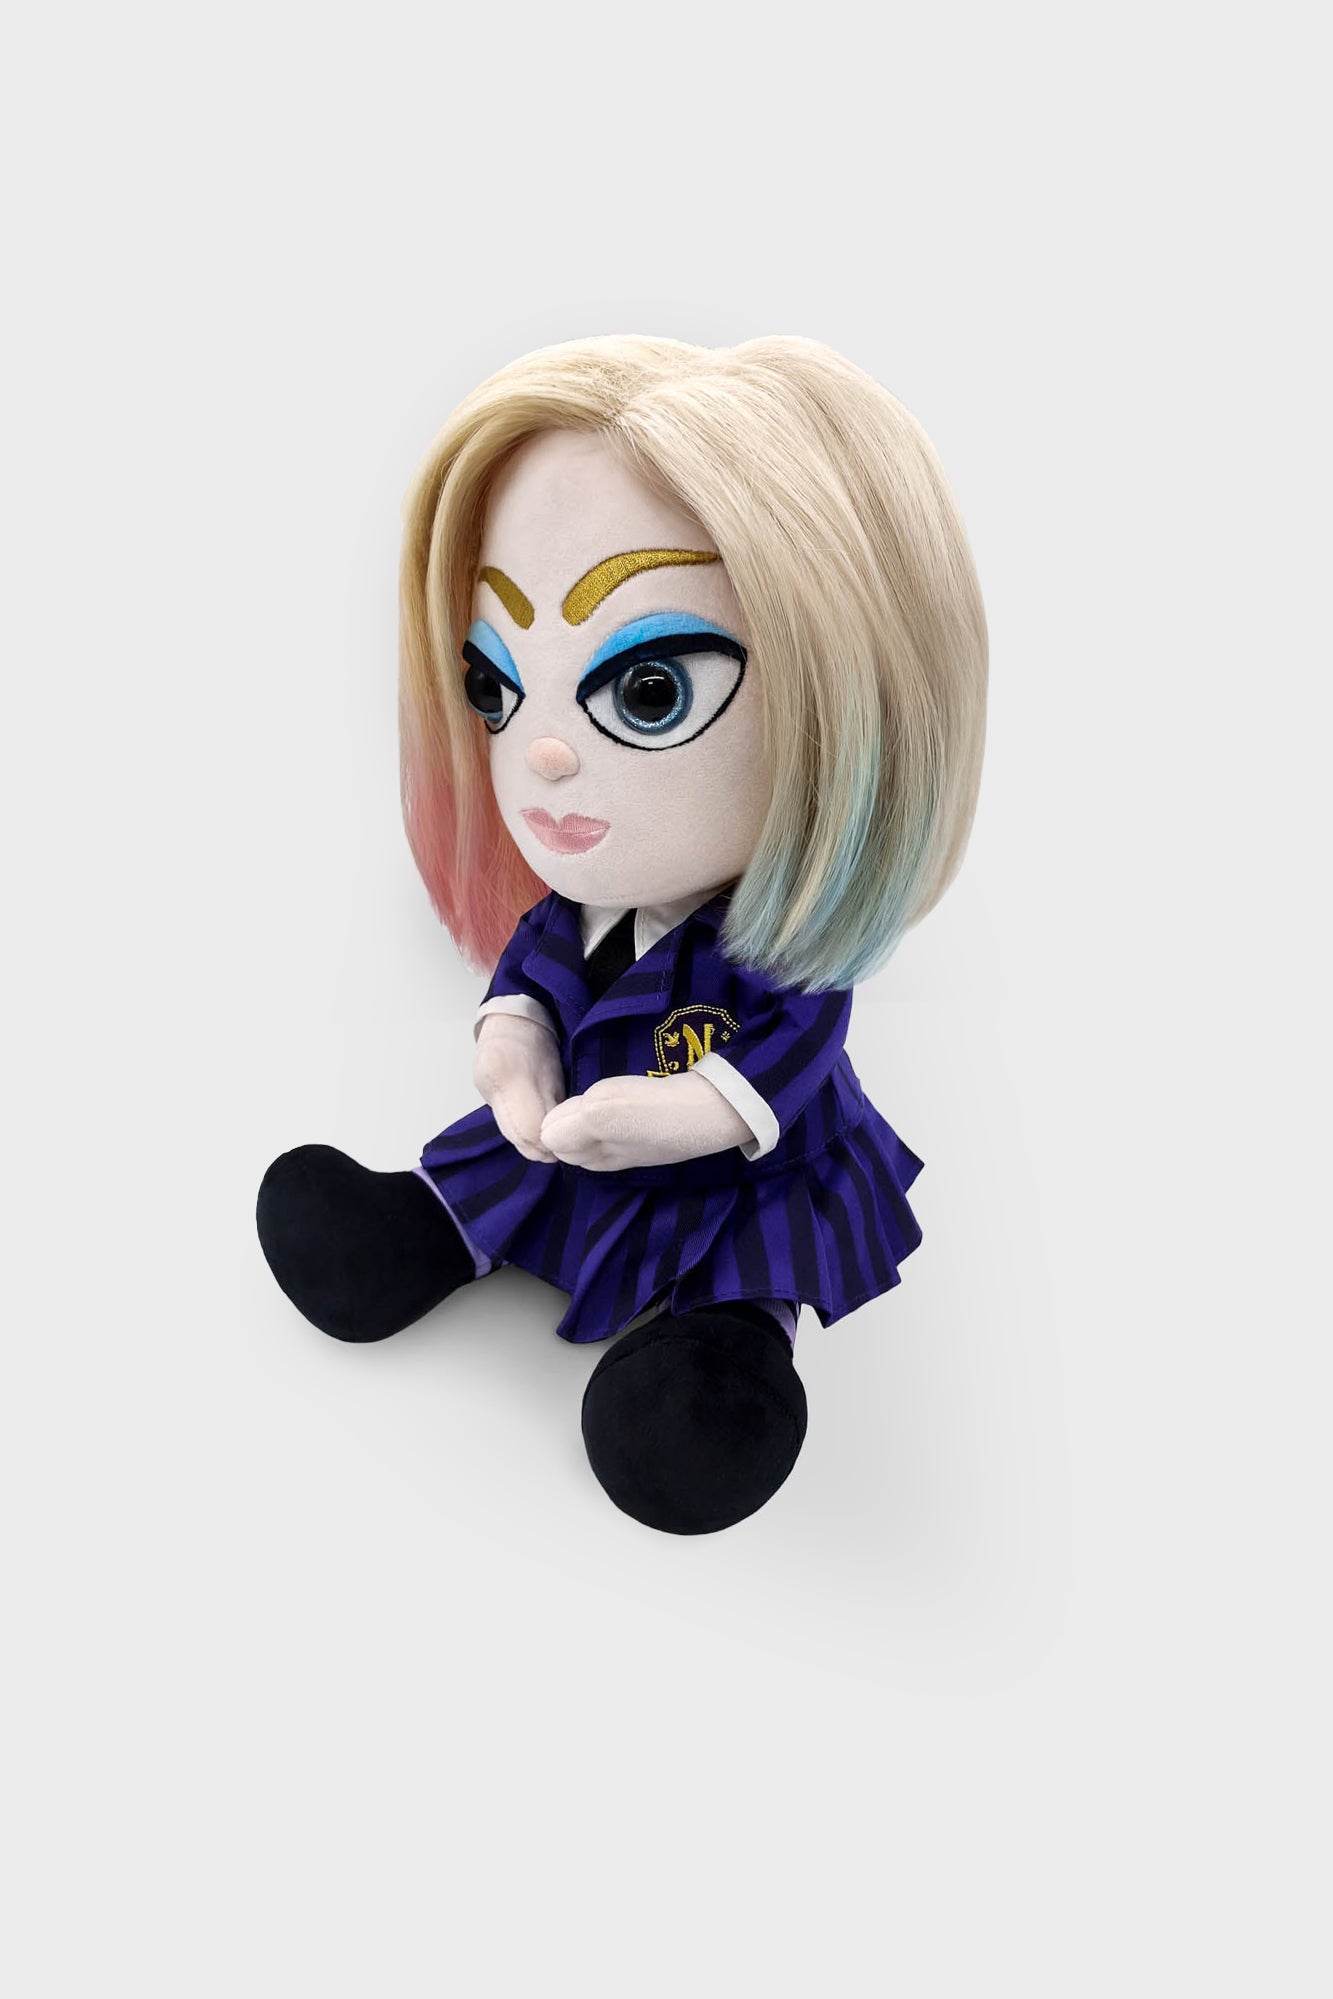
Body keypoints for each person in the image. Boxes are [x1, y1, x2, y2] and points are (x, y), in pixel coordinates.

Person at [257, 335, 988, 1535]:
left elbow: (779, 1069)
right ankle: (425, 1229)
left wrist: (677, 1115)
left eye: (649, 690)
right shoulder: (572, 914)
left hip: (739, 1163)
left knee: (750, 1249)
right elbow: (527, 984)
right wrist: (512, 1051)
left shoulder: (775, 956)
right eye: (495, 687)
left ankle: (729, 1348)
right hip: (575, 1117)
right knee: (507, 1158)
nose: (541, 753)